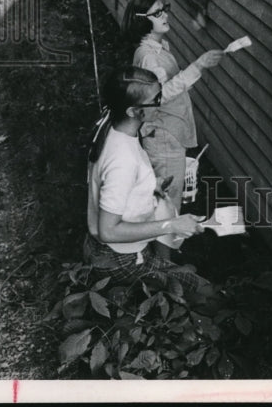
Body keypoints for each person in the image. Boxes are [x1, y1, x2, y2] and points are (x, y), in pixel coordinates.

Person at [85, 65, 212, 297]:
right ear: (134, 111)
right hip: (120, 257)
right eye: (156, 100)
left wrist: (148, 185)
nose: (161, 103)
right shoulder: (122, 160)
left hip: (107, 249)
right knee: (204, 292)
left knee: (180, 282)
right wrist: (172, 225)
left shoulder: (112, 125)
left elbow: (108, 178)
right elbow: (108, 231)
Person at [121, 0, 223, 243]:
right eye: (157, 13)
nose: (165, 14)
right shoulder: (148, 56)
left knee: (167, 197)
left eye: (164, 8)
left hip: (168, 131)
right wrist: (198, 66)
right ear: (142, 20)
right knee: (166, 202)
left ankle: (165, 257)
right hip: (163, 135)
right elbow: (159, 96)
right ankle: (165, 263)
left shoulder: (157, 48)